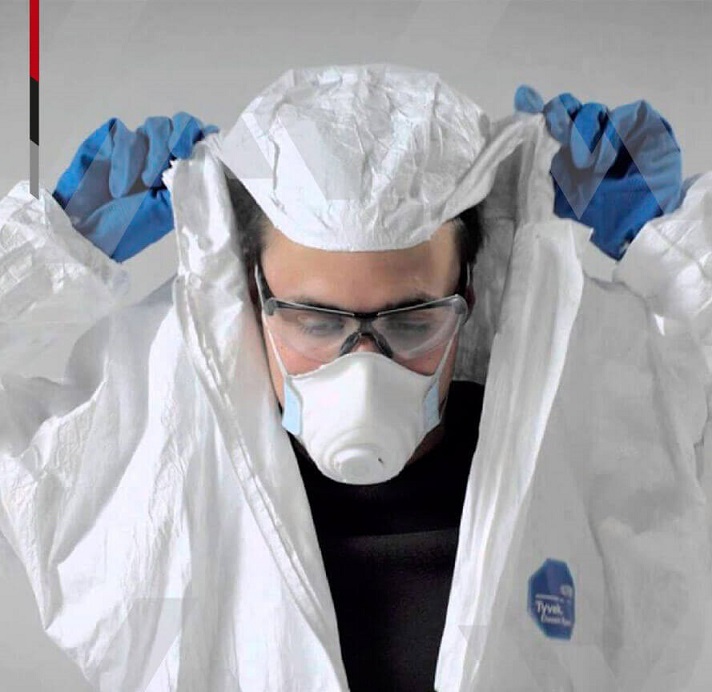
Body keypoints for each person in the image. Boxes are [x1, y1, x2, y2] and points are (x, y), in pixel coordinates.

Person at [1, 64, 711, 691]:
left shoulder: (572, 444)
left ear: (470, 294)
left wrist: (685, 254)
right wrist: (42, 251)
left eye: (411, 319)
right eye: (314, 320)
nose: (363, 367)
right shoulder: (153, 467)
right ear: (248, 296)